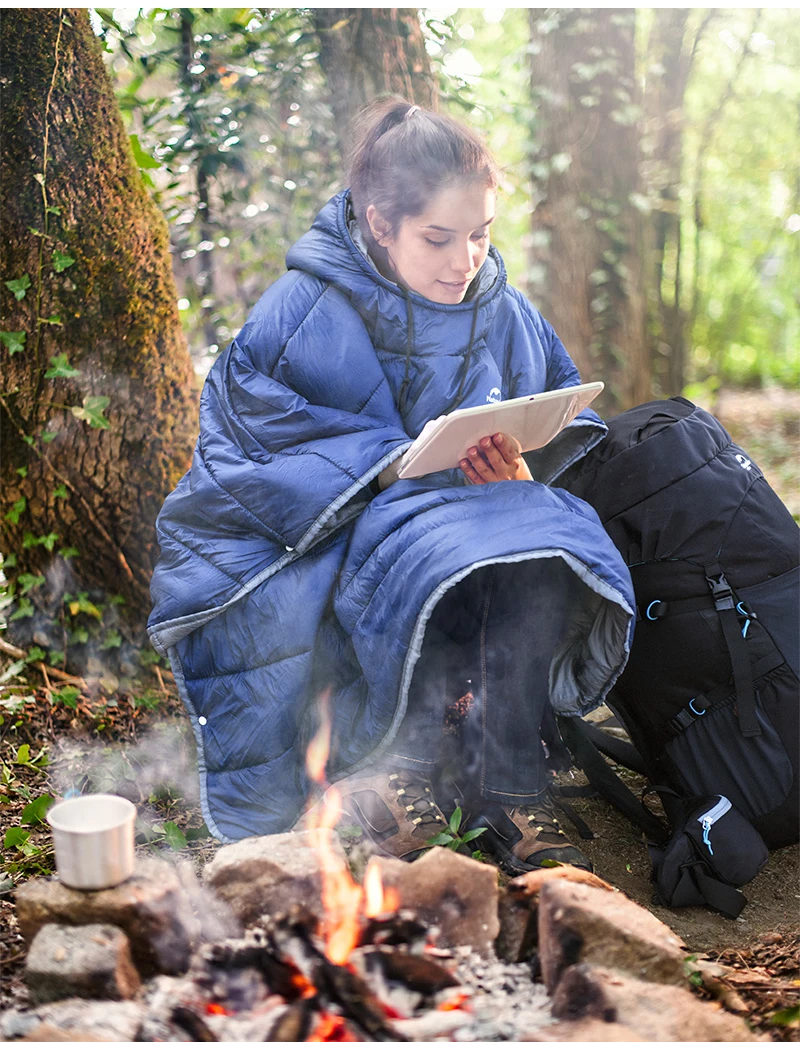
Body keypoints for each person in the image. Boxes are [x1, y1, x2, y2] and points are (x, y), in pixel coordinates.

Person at [148, 98, 636, 875]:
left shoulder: (500, 308)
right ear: (380, 224)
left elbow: (547, 421)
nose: (464, 261)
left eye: (480, 235)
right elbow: (247, 447)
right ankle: (395, 769)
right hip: (336, 542)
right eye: (437, 239)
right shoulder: (301, 308)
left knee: (548, 533)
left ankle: (510, 785)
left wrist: (515, 472)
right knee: (436, 551)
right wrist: (378, 467)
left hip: (457, 534)